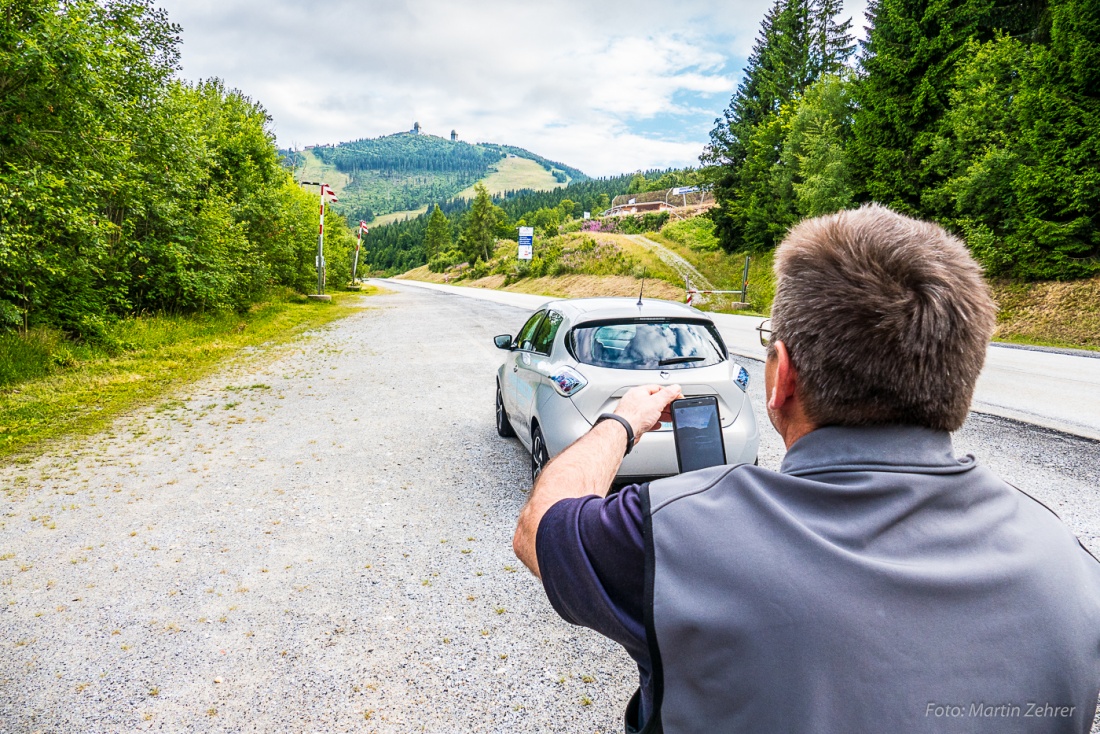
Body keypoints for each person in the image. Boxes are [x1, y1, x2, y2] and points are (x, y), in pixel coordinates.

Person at [512, 204, 1100, 733]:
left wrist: (620, 423)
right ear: (962, 378)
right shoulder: (1070, 563)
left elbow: (541, 525)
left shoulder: (680, 534)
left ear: (781, 377)